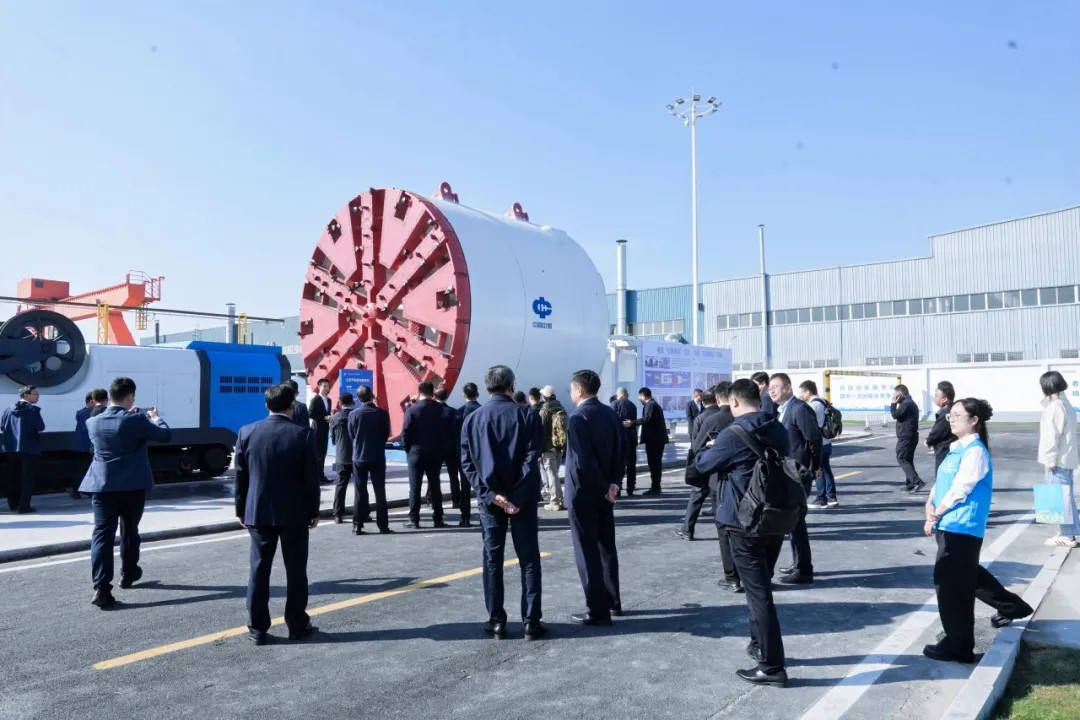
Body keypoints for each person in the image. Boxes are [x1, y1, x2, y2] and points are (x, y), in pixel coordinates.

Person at [694, 378, 790, 687]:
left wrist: (710, 447)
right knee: (761, 586)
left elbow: (702, 465)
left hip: (743, 521)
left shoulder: (732, 434)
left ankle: (772, 666)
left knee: (758, 593)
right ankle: (759, 644)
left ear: (734, 402)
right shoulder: (777, 427)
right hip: (775, 517)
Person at [922, 398, 1033, 663]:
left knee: (951, 585)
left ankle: (958, 646)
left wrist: (938, 511)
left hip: (963, 525)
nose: (951, 419)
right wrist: (929, 504)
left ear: (974, 421)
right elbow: (942, 482)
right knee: (966, 575)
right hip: (948, 523)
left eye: (957, 415)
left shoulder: (975, 452)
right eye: (950, 415)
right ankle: (1013, 607)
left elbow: (962, 488)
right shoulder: (956, 448)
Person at [460, 365, 545, 640]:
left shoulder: (473, 419)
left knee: (493, 559)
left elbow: (467, 463)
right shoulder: (527, 415)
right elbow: (531, 459)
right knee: (528, 558)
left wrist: (491, 495)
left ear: (487, 387)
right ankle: (531, 622)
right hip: (522, 499)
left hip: (490, 501)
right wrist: (516, 497)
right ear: (512, 385)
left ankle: (496, 621)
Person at [234, 383, 321, 645]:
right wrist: (313, 511)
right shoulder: (303, 434)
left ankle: (257, 628)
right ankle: (296, 624)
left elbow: (241, 476)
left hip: (258, 510)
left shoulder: (247, 431)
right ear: (291, 406)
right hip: (294, 512)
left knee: (259, 570)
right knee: (296, 570)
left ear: (266, 405)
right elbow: (310, 479)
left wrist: (241, 509)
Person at [78, 377, 172, 608]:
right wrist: (155, 418)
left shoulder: (93, 422)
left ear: (110, 396)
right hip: (132, 485)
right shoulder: (135, 419)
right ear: (130, 397)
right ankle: (128, 574)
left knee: (102, 535)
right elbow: (164, 435)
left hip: (101, 485)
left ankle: (101, 588)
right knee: (129, 530)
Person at [565, 369, 624, 626]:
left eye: (571, 389)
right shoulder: (610, 413)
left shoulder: (578, 417)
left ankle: (597, 610)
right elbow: (622, 451)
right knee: (606, 547)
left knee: (586, 550)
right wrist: (613, 484)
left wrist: (603, 486)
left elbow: (583, 462)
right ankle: (613, 602)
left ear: (579, 390)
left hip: (584, 493)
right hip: (606, 492)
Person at [769, 373, 821, 585]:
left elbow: (814, 439)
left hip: (798, 473)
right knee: (792, 521)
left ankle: (804, 570)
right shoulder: (783, 410)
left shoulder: (800, 409)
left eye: (776, 386)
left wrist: (813, 467)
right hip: (788, 472)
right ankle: (798, 562)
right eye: (770, 388)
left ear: (788, 388)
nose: (771, 391)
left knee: (796, 521)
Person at [677, 385, 734, 543]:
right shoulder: (734, 415)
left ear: (703, 402)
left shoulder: (704, 419)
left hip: (707, 465)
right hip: (729, 470)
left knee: (697, 497)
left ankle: (688, 529)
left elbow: (696, 445)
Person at [1037, 371, 1079, 548]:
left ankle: (1067, 535)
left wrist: (1050, 460)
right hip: (1067, 459)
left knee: (1059, 498)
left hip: (1058, 460)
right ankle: (1068, 532)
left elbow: (1051, 436)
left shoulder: (1054, 407)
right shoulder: (1065, 404)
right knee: (1065, 497)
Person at [347, 385, 392, 534]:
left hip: (359, 455)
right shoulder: (382, 413)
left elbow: (351, 435)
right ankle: (383, 525)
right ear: (372, 396)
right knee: (380, 492)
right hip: (377, 455)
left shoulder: (353, 414)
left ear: (358, 398)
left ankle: (357, 525)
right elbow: (385, 434)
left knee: (359, 491)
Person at [402, 381, 447, 529]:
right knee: (435, 485)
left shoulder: (412, 410)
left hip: (416, 452)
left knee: (415, 487)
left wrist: (408, 449)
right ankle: (438, 518)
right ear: (433, 392)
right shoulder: (440, 409)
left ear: (419, 392)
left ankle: (414, 519)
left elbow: (405, 433)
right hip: (435, 451)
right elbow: (444, 431)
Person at [1, 385, 45, 514]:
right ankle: (24, 506)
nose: (38, 396)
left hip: (10, 449)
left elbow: (2, 426)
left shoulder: (8, 410)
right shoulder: (32, 410)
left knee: (13, 477)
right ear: (26, 395)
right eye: (35, 394)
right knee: (27, 478)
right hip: (28, 448)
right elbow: (40, 427)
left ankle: (13, 504)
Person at [799, 380, 838, 509]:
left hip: (819, 442)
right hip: (827, 441)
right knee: (826, 469)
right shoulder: (823, 401)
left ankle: (821, 499)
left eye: (802, 392)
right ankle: (831, 497)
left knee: (818, 470)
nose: (800, 395)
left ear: (807, 391)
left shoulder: (812, 405)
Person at [434, 386, 469, 527]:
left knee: (434, 476)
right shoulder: (454, 412)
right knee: (453, 475)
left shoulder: (433, 412)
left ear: (435, 397)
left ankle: (433, 500)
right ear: (447, 396)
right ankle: (456, 500)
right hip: (451, 448)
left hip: (437, 448)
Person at [626, 387, 666, 495]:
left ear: (643, 396)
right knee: (655, 463)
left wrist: (632, 422)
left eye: (639, 397)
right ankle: (656, 486)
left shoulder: (651, 405)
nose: (639, 400)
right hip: (656, 439)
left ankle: (655, 487)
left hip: (654, 440)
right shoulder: (653, 404)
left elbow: (647, 418)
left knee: (654, 463)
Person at [454, 382, 483, 526]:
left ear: (463, 394)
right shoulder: (483, 410)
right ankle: (484, 515)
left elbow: (455, 435)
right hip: (481, 454)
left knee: (464, 487)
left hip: (464, 453)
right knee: (482, 486)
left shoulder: (459, 412)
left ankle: (464, 517)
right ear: (477, 393)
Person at [538, 386, 568, 511]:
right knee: (554, 474)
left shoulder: (544, 411)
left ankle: (555, 501)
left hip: (548, 448)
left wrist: (539, 450)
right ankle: (560, 500)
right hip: (559, 446)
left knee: (552, 475)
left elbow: (541, 432)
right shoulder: (561, 408)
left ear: (545, 397)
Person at [891, 384, 925, 493]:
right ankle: (910, 484)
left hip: (906, 436)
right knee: (908, 460)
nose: (894, 396)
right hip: (910, 435)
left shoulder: (906, 403)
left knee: (902, 458)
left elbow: (895, 415)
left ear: (900, 394)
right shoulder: (909, 403)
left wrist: (893, 404)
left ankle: (917, 482)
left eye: (895, 394)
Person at [329, 393, 355, 524]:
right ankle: (363, 512)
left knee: (340, 485)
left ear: (339, 403)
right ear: (352, 402)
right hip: (357, 455)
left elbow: (333, 439)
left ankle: (338, 514)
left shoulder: (335, 417)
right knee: (360, 486)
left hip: (341, 455)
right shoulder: (356, 415)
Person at [610, 388, 639, 496]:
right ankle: (630, 488)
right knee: (631, 464)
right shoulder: (633, 405)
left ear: (618, 394)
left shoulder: (614, 404)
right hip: (631, 438)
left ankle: (617, 489)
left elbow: (611, 421)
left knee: (618, 465)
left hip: (619, 439)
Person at [926, 381, 957, 472]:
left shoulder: (945, 412)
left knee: (942, 474)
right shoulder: (954, 409)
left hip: (944, 449)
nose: (934, 398)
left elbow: (938, 431)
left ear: (944, 399)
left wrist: (928, 441)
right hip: (951, 447)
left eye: (936, 396)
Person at [70, 391, 95, 499]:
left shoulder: (81, 412)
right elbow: (88, 429)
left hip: (79, 445)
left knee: (83, 469)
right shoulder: (88, 414)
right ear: (91, 401)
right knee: (86, 469)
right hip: (86, 445)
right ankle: (76, 488)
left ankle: (83, 489)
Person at [308, 378, 333, 483]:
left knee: (323, 453)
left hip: (325, 429)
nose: (326, 388)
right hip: (317, 429)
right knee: (317, 453)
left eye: (328, 386)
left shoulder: (329, 400)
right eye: (324, 386)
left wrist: (329, 417)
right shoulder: (315, 399)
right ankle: (316, 476)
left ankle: (321, 475)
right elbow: (310, 414)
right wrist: (324, 418)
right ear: (319, 387)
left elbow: (327, 413)